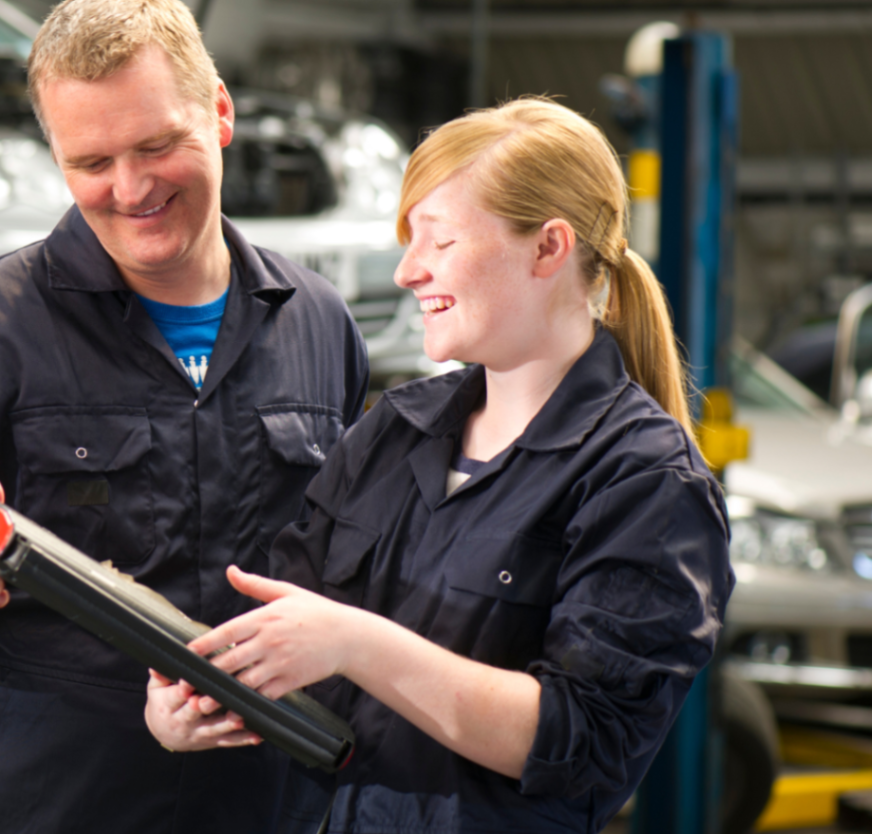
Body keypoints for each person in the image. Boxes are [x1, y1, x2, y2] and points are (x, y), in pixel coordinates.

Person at [0, 0, 369, 831]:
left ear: (220, 111)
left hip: (262, 801)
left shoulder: (315, 321)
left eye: (157, 146)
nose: (131, 189)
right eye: (91, 161)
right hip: (34, 801)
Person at [146, 98, 734, 834]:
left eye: (439, 241)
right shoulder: (395, 430)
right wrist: (197, 698)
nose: (405, 272)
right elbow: (287, 630)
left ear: (548, 248)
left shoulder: (643, 480)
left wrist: (355, 642)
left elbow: (584, 742)